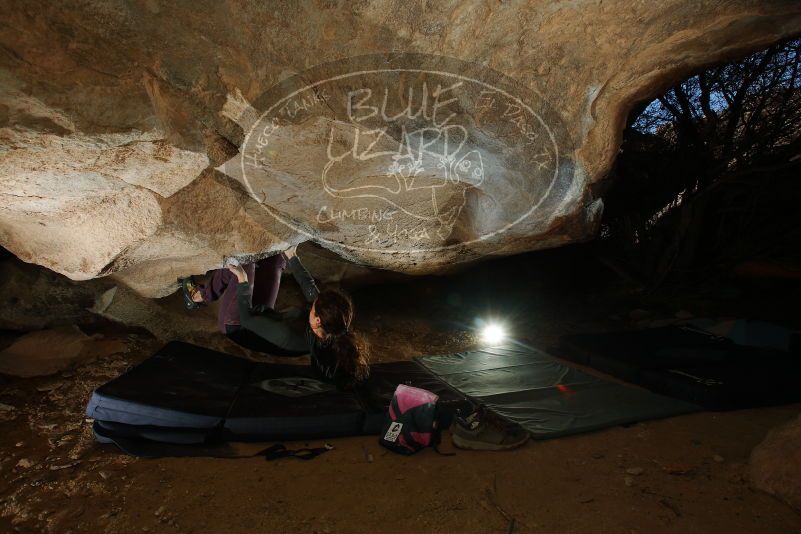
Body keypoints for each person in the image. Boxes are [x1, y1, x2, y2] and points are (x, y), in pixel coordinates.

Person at [179, 247, 369, 389]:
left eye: (313, 307)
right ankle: (254, 272)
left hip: (240, 325)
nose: (313, 300)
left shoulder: (289, 336)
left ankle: (198, 297)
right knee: (276, 257)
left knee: (243, 263)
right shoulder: (331, 326)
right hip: (263, 315)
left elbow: (247, 318)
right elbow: (311, 291)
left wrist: (243, 281)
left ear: (317, 320)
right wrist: (292, 256)